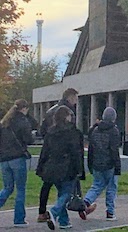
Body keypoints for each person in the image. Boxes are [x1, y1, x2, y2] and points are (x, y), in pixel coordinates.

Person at [36, 105, 85, 231]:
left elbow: (44, 151)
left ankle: (64, 221)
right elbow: (76, 152)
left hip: (51, 167)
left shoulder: (50, 132)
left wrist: (41, 167)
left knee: (61, 193)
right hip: (67, 167)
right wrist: (79, 169)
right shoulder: (72, 132)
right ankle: (54, 212)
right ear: (66, 117)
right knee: (66, 194)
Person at [81, 107, 121, 221]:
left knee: (97, 185)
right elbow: (114, 150)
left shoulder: (95, 130)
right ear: (113, 118)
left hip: (96, 163)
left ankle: (86, 202)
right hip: (109, 164)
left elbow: (91, 149)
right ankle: (110, 212)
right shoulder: (114, 131)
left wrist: (90, 164)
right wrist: (117, 166)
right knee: (111, 188)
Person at [0, 99, 34, 227]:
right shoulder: (23, 121)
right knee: (20, 189)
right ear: (24, 108)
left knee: (7, 188)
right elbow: (29, 139)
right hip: (18, 158)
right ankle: (19, 219)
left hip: (4, 159)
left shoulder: (4, 122)